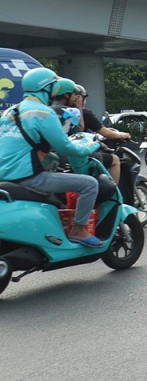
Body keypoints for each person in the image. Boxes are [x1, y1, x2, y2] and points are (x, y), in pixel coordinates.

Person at [0, 68, 104, 247]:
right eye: (54, 87)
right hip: (29, 177)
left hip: (5, 175)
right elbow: (66, 147)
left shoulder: (11, 112)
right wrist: (93, 145)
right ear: (47, 88)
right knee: (89, 184)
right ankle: (78, 231)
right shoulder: (43, 113)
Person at [69, 84, 131, 184]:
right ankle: (113, 194)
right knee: (114, 160)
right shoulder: (83, 113)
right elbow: (106, 133)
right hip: (78, 155)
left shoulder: (55, 111)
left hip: (63, 156)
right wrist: (123, 135)